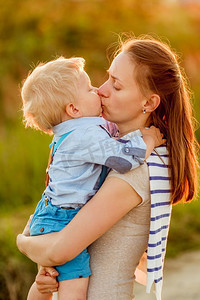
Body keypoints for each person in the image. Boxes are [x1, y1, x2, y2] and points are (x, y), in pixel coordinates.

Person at [17, 36, 198, 300]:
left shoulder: (137, 168)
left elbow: (59, 250)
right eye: (106, 78)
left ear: (148, 103)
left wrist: (24, 243)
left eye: (117, 85)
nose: (101, 90)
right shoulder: (101, 150)